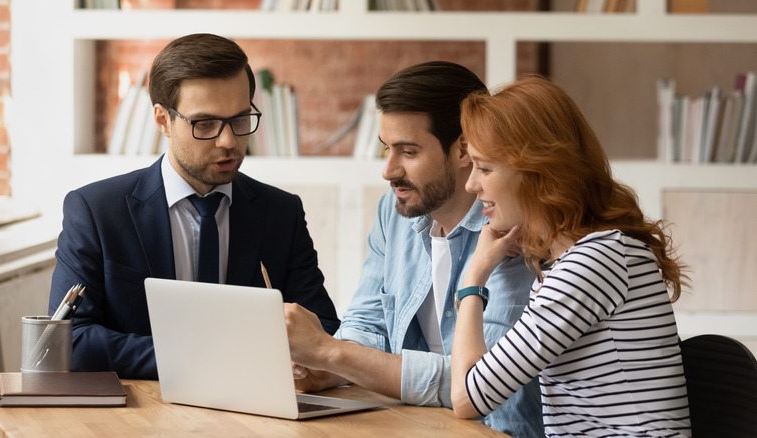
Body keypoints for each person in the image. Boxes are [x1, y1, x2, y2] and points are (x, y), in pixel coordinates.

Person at [48, 33, 339, 380]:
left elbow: (323, 331)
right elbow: (71, 339)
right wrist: (206, 359)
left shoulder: (282, 213)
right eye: (206, 124)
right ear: (162, 121)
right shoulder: (95, 211)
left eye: (240, 119)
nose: (229, 141)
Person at [284, 61, 544, 438]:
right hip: (414, 425)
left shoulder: (510, 228)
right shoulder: (395, 216)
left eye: (408, 151)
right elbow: (367, 321)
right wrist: (329, 367)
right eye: (386, 149)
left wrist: (334, 354)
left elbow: (484, 384)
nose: (388, 171)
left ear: (463, 150)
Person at [450, 76, 691, 436]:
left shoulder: (594, 263)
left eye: (484, 168)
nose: (471, 184)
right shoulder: (585, 257)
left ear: (539, 172)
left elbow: (468, 398)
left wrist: (474, 277)